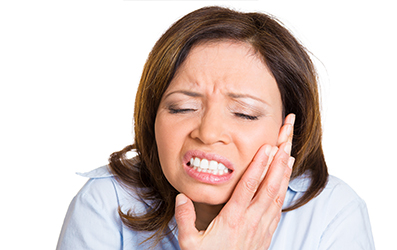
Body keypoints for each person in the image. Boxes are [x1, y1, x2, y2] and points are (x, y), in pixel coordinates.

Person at [56, 6, 375, 249]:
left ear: (287, 130)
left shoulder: (333, 212)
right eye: (183, 108)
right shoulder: (104, 201)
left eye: (244, 113)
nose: (208, 134)